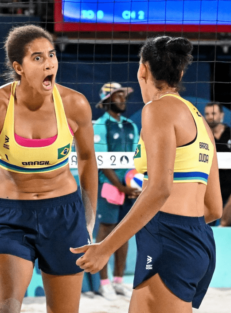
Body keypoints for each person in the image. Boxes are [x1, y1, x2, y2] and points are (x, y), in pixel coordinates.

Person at [0, 25, 98, 313]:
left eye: (51, 55)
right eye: (37, 58)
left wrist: (88, 223)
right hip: (13, 218)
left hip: (65, 216)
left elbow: (88, 159)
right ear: (19, 67)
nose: (49, 63)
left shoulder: (75, 104)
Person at [71, 36, 223, 313]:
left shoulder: (157, 109)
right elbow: (214, 208)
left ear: (143, 70)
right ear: (180, 72)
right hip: (197, 240)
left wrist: (105, 248)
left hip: (169, 239)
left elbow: (160, 189)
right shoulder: (200, 120)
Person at [92, 82, 139, 299]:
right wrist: (120, 186)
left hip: (129, 186)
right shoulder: (100, 125)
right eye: (118, 96)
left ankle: (119, 281)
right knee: (105, 232)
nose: (123, 99)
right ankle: (104, 282)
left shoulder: (131, 125)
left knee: (125, 232)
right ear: (108, 100)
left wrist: (134, 183)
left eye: (123, 95)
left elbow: (136, 159)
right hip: (109, 186)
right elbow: (102, 162)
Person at [204, 102, 231, 203]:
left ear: (221, 115)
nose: (209, 117)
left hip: (230, 187)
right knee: (208, 219)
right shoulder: (202, 135)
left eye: (213, 113)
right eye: (207, 114)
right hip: (208, 188)